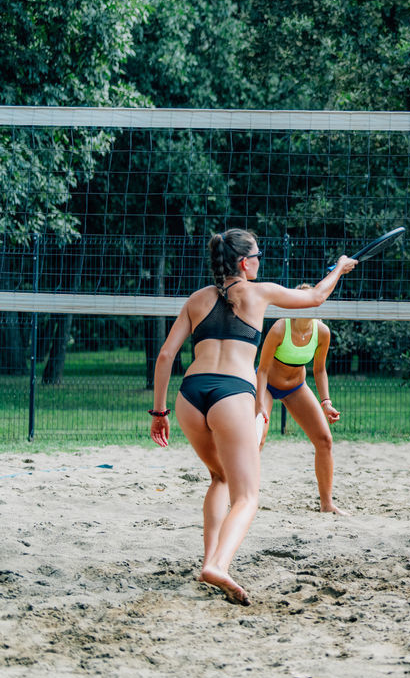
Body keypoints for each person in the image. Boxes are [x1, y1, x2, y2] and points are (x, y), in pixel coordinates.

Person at [150, 229, 356, 604]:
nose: (261, 261)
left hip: (189, 396)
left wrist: (159, 412)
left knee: (219, 477)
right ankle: (219, 565)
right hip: (231, 394)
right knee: (247, 496)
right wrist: (339, 269)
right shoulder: (258, 292)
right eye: (257, 256)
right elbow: (315, 297)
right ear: (244, 263)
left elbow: (165, 357)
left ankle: (209, 560)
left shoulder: (197, 299)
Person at [255, 285, 348, 515]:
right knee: (258, 438)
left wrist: (326, 402)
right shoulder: (279, 329)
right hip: (267, 386)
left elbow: (319, 370)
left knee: (325, 439)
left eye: (314, 301)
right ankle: (242, 498)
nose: (310, 304)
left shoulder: (322, 331)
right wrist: (258, 403)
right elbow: (263, 369)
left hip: (296, 387)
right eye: (304, 300)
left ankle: (327, 504)